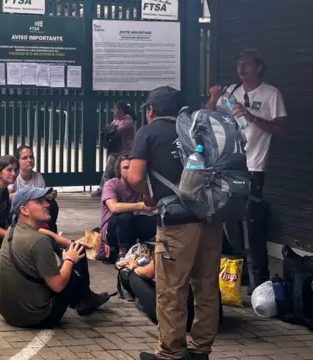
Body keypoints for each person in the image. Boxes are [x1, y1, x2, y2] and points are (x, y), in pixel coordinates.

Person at [127, 86, 222, 360]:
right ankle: (201, 349)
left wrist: (148, 196)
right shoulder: (196, 128)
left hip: (177, 224)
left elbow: (134, 177)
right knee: (206, 286)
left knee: (172, 288)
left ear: (151, 111)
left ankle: (171, 353)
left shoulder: (149, 132)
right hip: (211, 218)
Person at [207, 48, 288, 290]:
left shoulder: (271, 93)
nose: (241, 69)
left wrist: (251, 115)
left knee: (252, 225)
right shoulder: (231, 92)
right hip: (229, 167)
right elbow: (206, 116)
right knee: (231, 224)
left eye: (247, 64)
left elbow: (283, 128)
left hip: (254, 167)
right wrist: (213, 97)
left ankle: (260, 283)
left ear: (259, 67)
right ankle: (238, 276)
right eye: (238, 64)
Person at [0, 187, 110, 328]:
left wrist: (71, 243)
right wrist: (69, 259)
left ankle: (84, 298)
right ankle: (85, 299)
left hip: (10, 314)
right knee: (77, 254)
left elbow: (44, 233)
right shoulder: (38, 241)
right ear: (24, 210)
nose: (47, 204)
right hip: (39, 317)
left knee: (74, 247)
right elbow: (57, 286)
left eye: (45, 200)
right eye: (39, 202)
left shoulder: (13, 230)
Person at [101, 154, 156, 261]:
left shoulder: (139, 185)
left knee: (156, 220)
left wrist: (144, 187)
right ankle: (122, 254)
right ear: (119, 171)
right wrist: (140, 206)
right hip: (111, 230)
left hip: (131, 226)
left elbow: (152, 205)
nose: (129, 171)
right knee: (125, 216)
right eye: (125, 168)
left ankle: (148, 248)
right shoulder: (111, 184)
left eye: (132, 168)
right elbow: (114, 207)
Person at [91, 101, 137, 197]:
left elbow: (113, 132)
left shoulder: (128, 121)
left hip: (125, 152)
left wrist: (109, 131)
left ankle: (121, 191)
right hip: (116, 150)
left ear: (121, 110)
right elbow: (107, 130)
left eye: (115, 109)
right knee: (108, 170)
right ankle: (102, 188)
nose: (114, 111)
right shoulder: (116, 120)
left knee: (119, 171)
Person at [9, 145, 59, 233]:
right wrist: (26, 195)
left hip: (36, 208)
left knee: (52, 204)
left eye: (31, 157)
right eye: (24, 158)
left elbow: (43, 198)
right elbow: (8, 196)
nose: (29, 160)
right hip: (20, 210)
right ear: (18, 162)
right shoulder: (14, 176)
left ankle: (50, 231)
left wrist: (49, 195)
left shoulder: (38, 176)